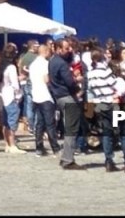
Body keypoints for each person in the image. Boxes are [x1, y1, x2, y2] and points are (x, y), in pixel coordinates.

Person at [87, 49, 125, 172]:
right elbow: (116, 86)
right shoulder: (105, 71)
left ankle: (108, 161)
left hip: (100, 104)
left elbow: (91, 89)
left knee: (107, 133)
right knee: (124, 132)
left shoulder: (90, 73)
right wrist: (119, 93)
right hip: (112, 103)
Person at [49, 39, 84, 170]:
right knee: (71, 129)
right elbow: (69, 82)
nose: (69, 50)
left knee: (68, 127)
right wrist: (78, 84)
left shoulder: (52, 61)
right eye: (66, 48)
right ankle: (68, 160)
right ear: (58, 49)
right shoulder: (62, 63)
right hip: (67, 96)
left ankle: (66, 157)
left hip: (58, 96)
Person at [29, 43, 59, 156]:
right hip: (46, 96)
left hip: (36, 95)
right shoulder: (46, 64)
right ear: (46, 52)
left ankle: (39, 147)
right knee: (50, 123)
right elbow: (46, 79)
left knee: (39, 123)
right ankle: (55, 147)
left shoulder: (33, 64)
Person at [0, 45, 25, 154]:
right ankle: (12, 144)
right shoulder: (11, 67)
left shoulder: (1, 66)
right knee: (12, 122)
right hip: (11, 96)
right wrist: (18, 96)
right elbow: (15, 85)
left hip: (2, 96)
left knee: (5, 122)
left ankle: (7, 144)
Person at [18, 39, 39, 134]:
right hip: (35, 82)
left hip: (27, 82)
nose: (38, 47)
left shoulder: (24, 57)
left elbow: (22, 70)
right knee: (36, 105)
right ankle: (35, 126)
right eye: (37, 46)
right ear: (33, 46)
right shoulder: (36, 57)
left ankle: (31, 126)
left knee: (29, 104)